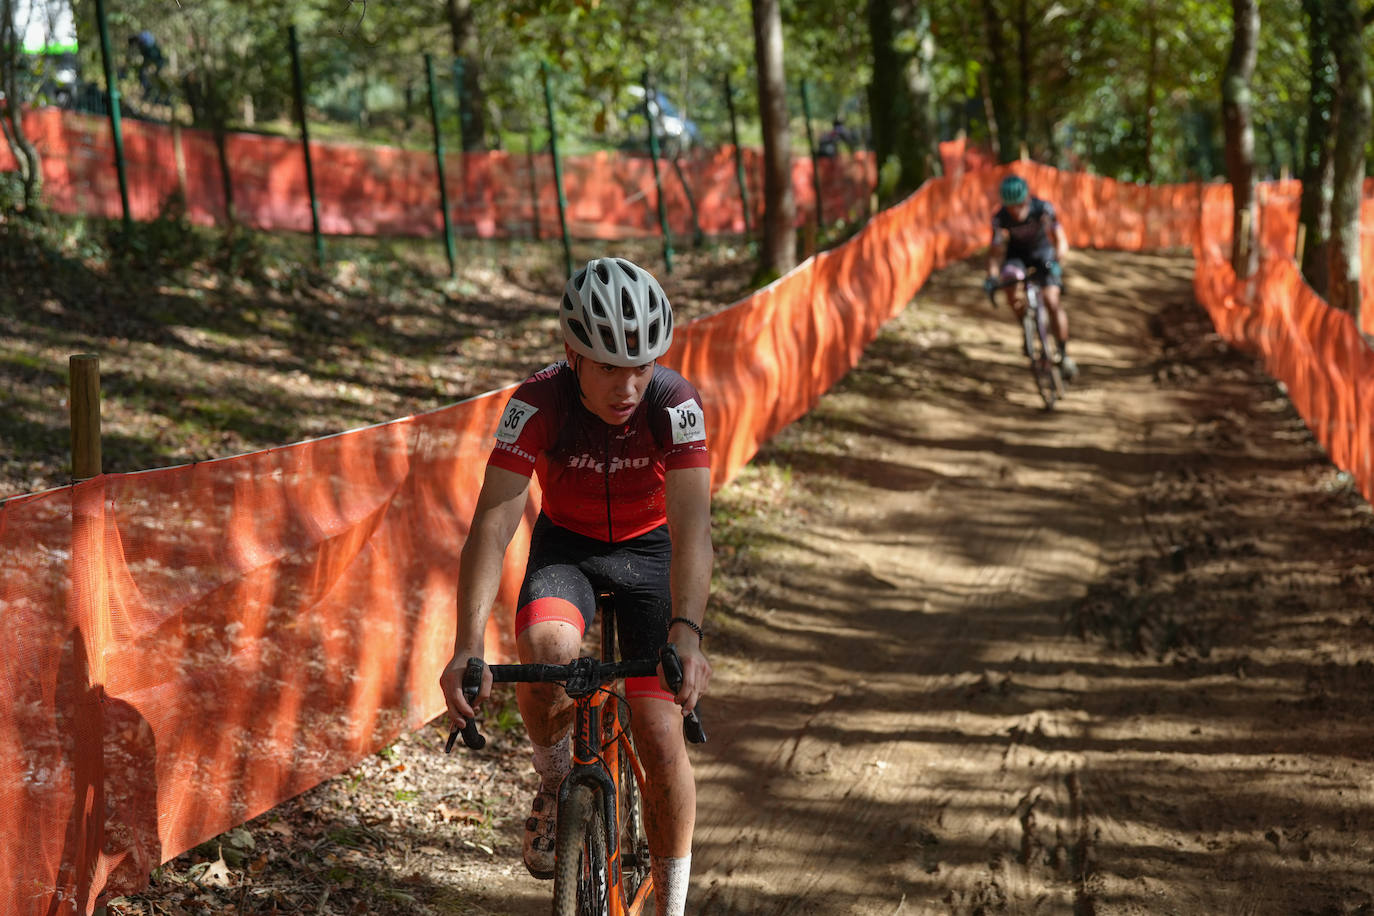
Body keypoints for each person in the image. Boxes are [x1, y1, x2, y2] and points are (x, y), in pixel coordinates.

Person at [438, 257, 713, 916]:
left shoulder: (675, 405)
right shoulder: (537, 402)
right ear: (571, 355)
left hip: (650, 555)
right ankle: (558, 781)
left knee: (656, 726)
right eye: (608, 367)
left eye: (640, 367)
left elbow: (694, 528)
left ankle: (671, 905)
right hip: (570, 549)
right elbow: (492, 524)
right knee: (548, 650)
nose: (627, 385)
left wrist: (688, 633)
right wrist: (466, 645)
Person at [984, 173, 1077, 380]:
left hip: (1043, 254)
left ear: (1027, 198)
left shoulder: (1042, 209)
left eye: (1019, 205)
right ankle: (1025, 324)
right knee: (1009, 281)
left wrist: (1057, 261)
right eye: (1011, 207)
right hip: (1016, 257)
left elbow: (1061, 240)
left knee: (1052, 300)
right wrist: (991, 277)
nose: (1016, 211)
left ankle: (1063, 353)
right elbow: (995, 252)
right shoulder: (1000, 218)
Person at [126, 30, 165, 98]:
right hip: (152, 60)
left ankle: (154, 91)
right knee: (143, 73)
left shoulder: (144, 40)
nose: (135, 46)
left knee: (149, 74)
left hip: (155, 60)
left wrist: (150, 65)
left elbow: (151, 54)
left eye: (134, 44)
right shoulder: (142, 42)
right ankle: (148, 89)